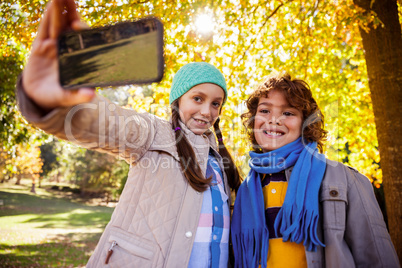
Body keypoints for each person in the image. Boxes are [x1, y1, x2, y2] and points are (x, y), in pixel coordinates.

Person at [17, 0, 241, 266]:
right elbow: (103, 123)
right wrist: (55, 102)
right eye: (198, 98)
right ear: (178, 101)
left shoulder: (220, 162)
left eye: (216, 103)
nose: (207, 110)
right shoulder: (153, 133)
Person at [231, 73, 400, 268]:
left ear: (306, 123)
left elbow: (376, 257)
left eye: (288, 113)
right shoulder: (245, 190)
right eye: (265, 110)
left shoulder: (343, 178)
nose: (274, 120)